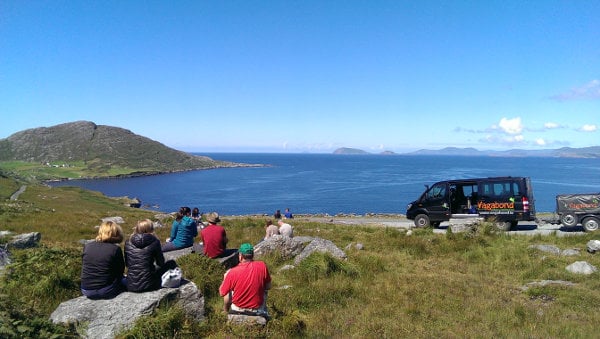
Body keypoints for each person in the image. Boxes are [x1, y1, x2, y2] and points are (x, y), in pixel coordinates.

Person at [219, 243, 271, 317]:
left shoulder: (232, 272)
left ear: (240, 256)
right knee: (264, 290)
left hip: (238, 310)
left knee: (228, 289)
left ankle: (225, 311)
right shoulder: (262, 265)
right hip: (258, 309)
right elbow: (268, 286)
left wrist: (225, 279)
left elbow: (222, 293)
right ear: (252, 255)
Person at [125, 219, 178, 292]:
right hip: (150, 285)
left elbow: (127, 264)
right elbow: (160, 263)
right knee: (171, 263)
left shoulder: (128, 242)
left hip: (130, 285)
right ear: (151, 229)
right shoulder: (155, 241)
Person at [80, 221, 126, 299]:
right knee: (126, 281)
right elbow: (120, 271)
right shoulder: (115, 249)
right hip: (106, 290)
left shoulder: (87, 246)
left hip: (85, 289)